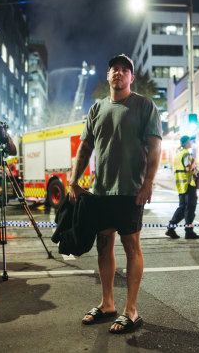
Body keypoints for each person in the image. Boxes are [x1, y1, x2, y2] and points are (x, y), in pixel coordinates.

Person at [69, 54, 161, 334]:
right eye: (114, 69)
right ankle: (107, 303)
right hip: (102, 190)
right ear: (108, 76)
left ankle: (131, 310)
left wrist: (149, 182)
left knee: (132, 247)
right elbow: (85, 148)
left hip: (131, 190)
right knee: (103, 244)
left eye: (124, 70)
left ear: (131, 77)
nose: (118, 73)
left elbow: (155, 147)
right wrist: (74, 180)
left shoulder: (145, 106)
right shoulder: (96, 109)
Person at [165, 135, 199, 240]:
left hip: (181, 185)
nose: (192, 142)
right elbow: (188, 168)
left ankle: (171, 228)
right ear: (186, 143)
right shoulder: (186, 154)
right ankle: (189, 232)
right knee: (190, 208)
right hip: (188, 185)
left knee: (182, 208)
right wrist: (194, 162)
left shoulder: (178, 154)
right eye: (190, 141)